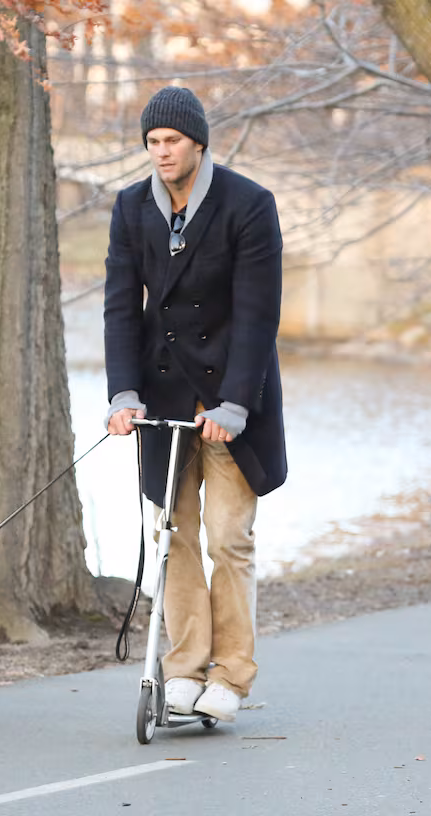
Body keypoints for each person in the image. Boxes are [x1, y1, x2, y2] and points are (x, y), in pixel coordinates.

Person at [103, 85, 287, 723]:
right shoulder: (131, 208)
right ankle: (182, 669)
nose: (160, 153)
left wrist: (235, 404)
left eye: (171, 141)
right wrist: (124, 393)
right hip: (163, 394)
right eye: (151, 142)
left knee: (227, 540)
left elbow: (260, 315)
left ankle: (231, 677)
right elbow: (123, 305)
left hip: (235, 397)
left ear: (198, 143)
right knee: (172, 537)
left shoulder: (249, 204)